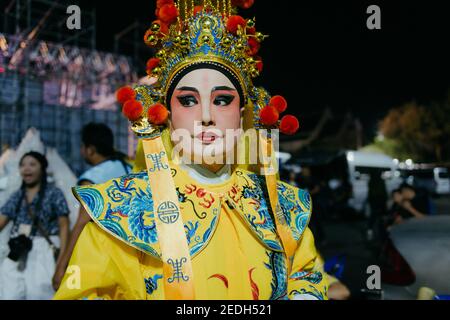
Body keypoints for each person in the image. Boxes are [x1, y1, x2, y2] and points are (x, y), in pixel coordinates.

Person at [55, 0, 327, 300]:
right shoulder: (121, 211)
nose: (206, 115)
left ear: (243, 115)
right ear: (166, 116)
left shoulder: (282, 206)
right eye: (188, 101)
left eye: (223, 100)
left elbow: (306, 275)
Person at [52, 123, 132, 290]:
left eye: (82, 146)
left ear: (90, 149)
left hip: (101, 255)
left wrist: (62, 266)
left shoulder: (92, 178)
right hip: (131, 253)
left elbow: (82, 223)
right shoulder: (128, 167)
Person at [0, 152, 69, 299]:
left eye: (32, 164)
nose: (27, 169)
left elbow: (64, 227)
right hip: (18, 248)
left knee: (39, 294)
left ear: (42, 168)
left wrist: (62, 260)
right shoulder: (17, 195)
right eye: (23, 165)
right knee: (9, 293)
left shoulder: (54, 193)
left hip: (43, 249)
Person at [366, 171, 388, 242]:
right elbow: (384, 192)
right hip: (378, 200)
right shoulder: (377, 181)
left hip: (376, 200)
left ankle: (373, 231)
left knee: (375, 216)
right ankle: (376, 232)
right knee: (377, 216)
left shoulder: (371, 182)